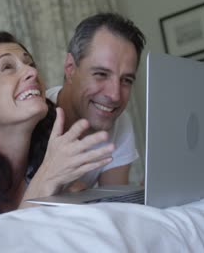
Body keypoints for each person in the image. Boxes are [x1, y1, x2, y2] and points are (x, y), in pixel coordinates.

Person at [0, 31, 115, 216]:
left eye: (30, 63)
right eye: (8, 67)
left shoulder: (44, 159)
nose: (32, 72)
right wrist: (46, 180)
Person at [46, 12, 146, 188]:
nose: (115, 96)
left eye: (126, 80)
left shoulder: (120, 122)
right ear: (70, 68)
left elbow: (113, 203)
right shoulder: (35, 118)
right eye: (101, 74)